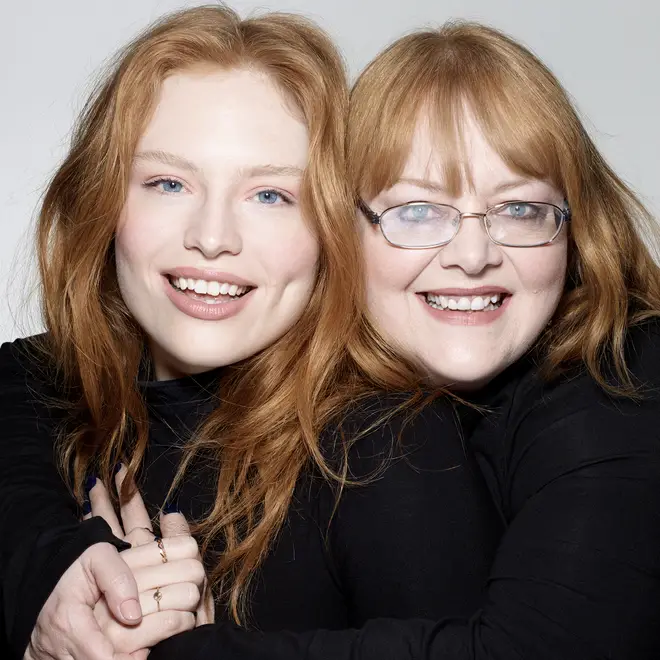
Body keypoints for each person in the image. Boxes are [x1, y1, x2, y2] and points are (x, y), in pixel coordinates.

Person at [131, 20, 660, 660]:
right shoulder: (329, 409)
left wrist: (178, 650)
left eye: (520, 209)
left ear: (578, 231)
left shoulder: (621, 382)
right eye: (416, 210)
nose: (472, 255)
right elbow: (39, 370)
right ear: (339, 231)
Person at [0, 8, 501, 660]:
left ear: (331, 227)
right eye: (168, 182)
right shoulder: (37, 388)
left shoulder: (389, 444)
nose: (212, 237)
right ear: (103, 202)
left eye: (270, 195)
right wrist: (46, 583)